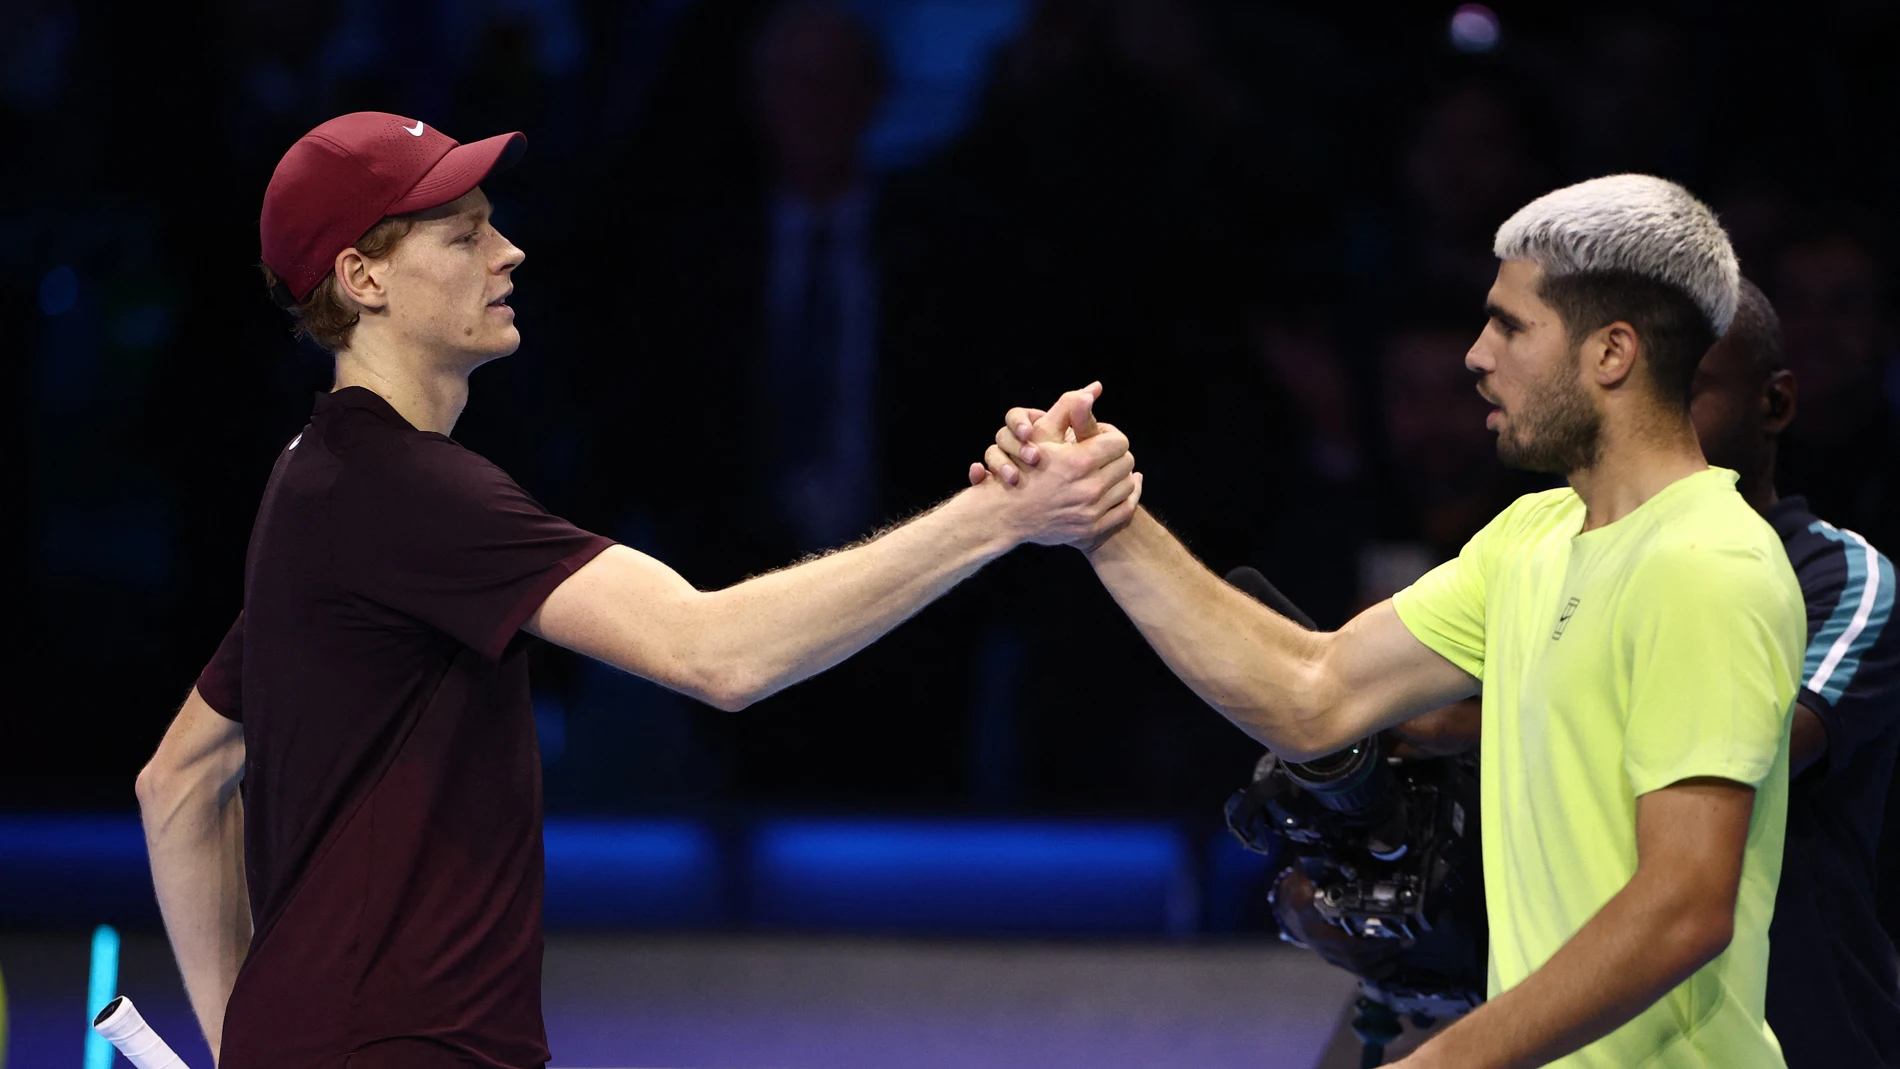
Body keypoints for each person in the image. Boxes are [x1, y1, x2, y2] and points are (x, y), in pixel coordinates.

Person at [133, 112, 1141, 1069]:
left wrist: (251, 1039)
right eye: (463, 234)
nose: (508, 253)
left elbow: (178, 778)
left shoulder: (320, 479)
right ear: (362, 278)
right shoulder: (404, 489)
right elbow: (718, 653)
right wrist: (1003, 514)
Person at [980, 174, 1805, 1068]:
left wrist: (1441, 1060)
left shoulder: (1706, 561)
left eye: (1511, 325)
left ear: (1612, 353)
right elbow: (1313, 692)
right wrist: (1099, 517)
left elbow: (1684, 907)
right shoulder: (1535, 534)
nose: (1476, 356)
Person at [1688, 280, 1900, 1067]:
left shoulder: (1843, 577)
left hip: (1812, 1039)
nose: (1651, 429)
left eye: (1690, 391)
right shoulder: (1555, 570)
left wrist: (1485, 719)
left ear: (1774, 404)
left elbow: (1756, 748)